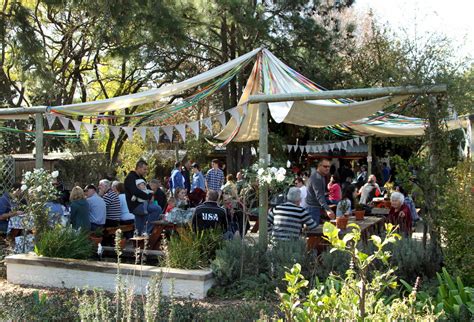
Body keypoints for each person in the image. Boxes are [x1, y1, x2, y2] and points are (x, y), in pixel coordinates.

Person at [124, 160, 162, 235]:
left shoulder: (142, 178)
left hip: (143, 204)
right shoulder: (130, 178)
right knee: (157, 209)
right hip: (136, 205)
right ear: (138, 168)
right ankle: (146, 231)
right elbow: (135, 191)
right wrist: (148, 197)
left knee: (139, 226)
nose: (146, 171)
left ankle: (139, 240)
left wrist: (151, 195)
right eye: (144, 169)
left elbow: (149, 189)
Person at [306, 158, 335, 225]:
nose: (327, 168)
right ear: (319, 166)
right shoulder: (317, 177)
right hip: (313, 209)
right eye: (325, 166)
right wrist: (328, 210)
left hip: (314, 208)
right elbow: (319, 196)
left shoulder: (320, 176)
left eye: (328, 167)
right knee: (313, 232)